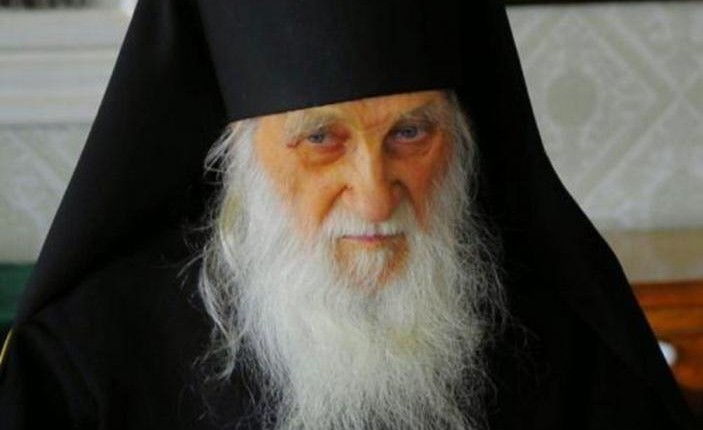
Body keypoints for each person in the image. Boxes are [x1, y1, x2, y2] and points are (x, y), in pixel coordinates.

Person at [0, 0, 696, 429]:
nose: (373, 197)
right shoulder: (86, 363)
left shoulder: (564, 338)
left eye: (411, 133)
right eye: (320, 138)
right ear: (235, 154)